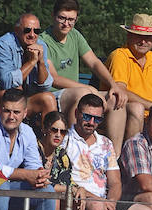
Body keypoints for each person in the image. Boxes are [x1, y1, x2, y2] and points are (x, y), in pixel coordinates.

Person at [38, 0, 126, 144]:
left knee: (117, 99)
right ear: (53, 16)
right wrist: (85, 87)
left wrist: (113, 84)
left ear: (76, 19)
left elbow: (94, 62)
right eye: (62, 18)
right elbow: (53, 78)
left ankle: (114, 157)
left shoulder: (75, 35)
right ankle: (73, 149)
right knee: (83, 94)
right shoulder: (43, 40)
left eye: (71, 20)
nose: (66, 24)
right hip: (54, 94)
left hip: (77, 92)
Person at [61, 91, 116, 210]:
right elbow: (62, 177)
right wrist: (99, 201)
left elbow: (116, 182)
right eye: (87, 117)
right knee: (93, 206)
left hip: (100, 200)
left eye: (97, 119)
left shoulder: (106, 143)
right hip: (72, 195)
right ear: (77, 113)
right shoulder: (64, 139)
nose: (92, 123)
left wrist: (111, 202)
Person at [108, 14, 152, 145]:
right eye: (138, 36)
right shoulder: (120, 55)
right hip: (127, 114)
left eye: (148, 37)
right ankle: (131, 157)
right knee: (137, 108)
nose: (143, 41)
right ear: (129, 36)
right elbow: (120, 90)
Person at [0, 12, 53, 119]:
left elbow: (45, 85)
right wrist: (31, 62)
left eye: (37, 31)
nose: (32, 35)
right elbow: (7, 82)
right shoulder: (4, 44)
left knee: (48, 98)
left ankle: (51, 133)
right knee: (16, 91)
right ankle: (0, 131)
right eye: (27, 30)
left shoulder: (41, 45)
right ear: (16, 30)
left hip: (22, 97)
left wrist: (41, 63)